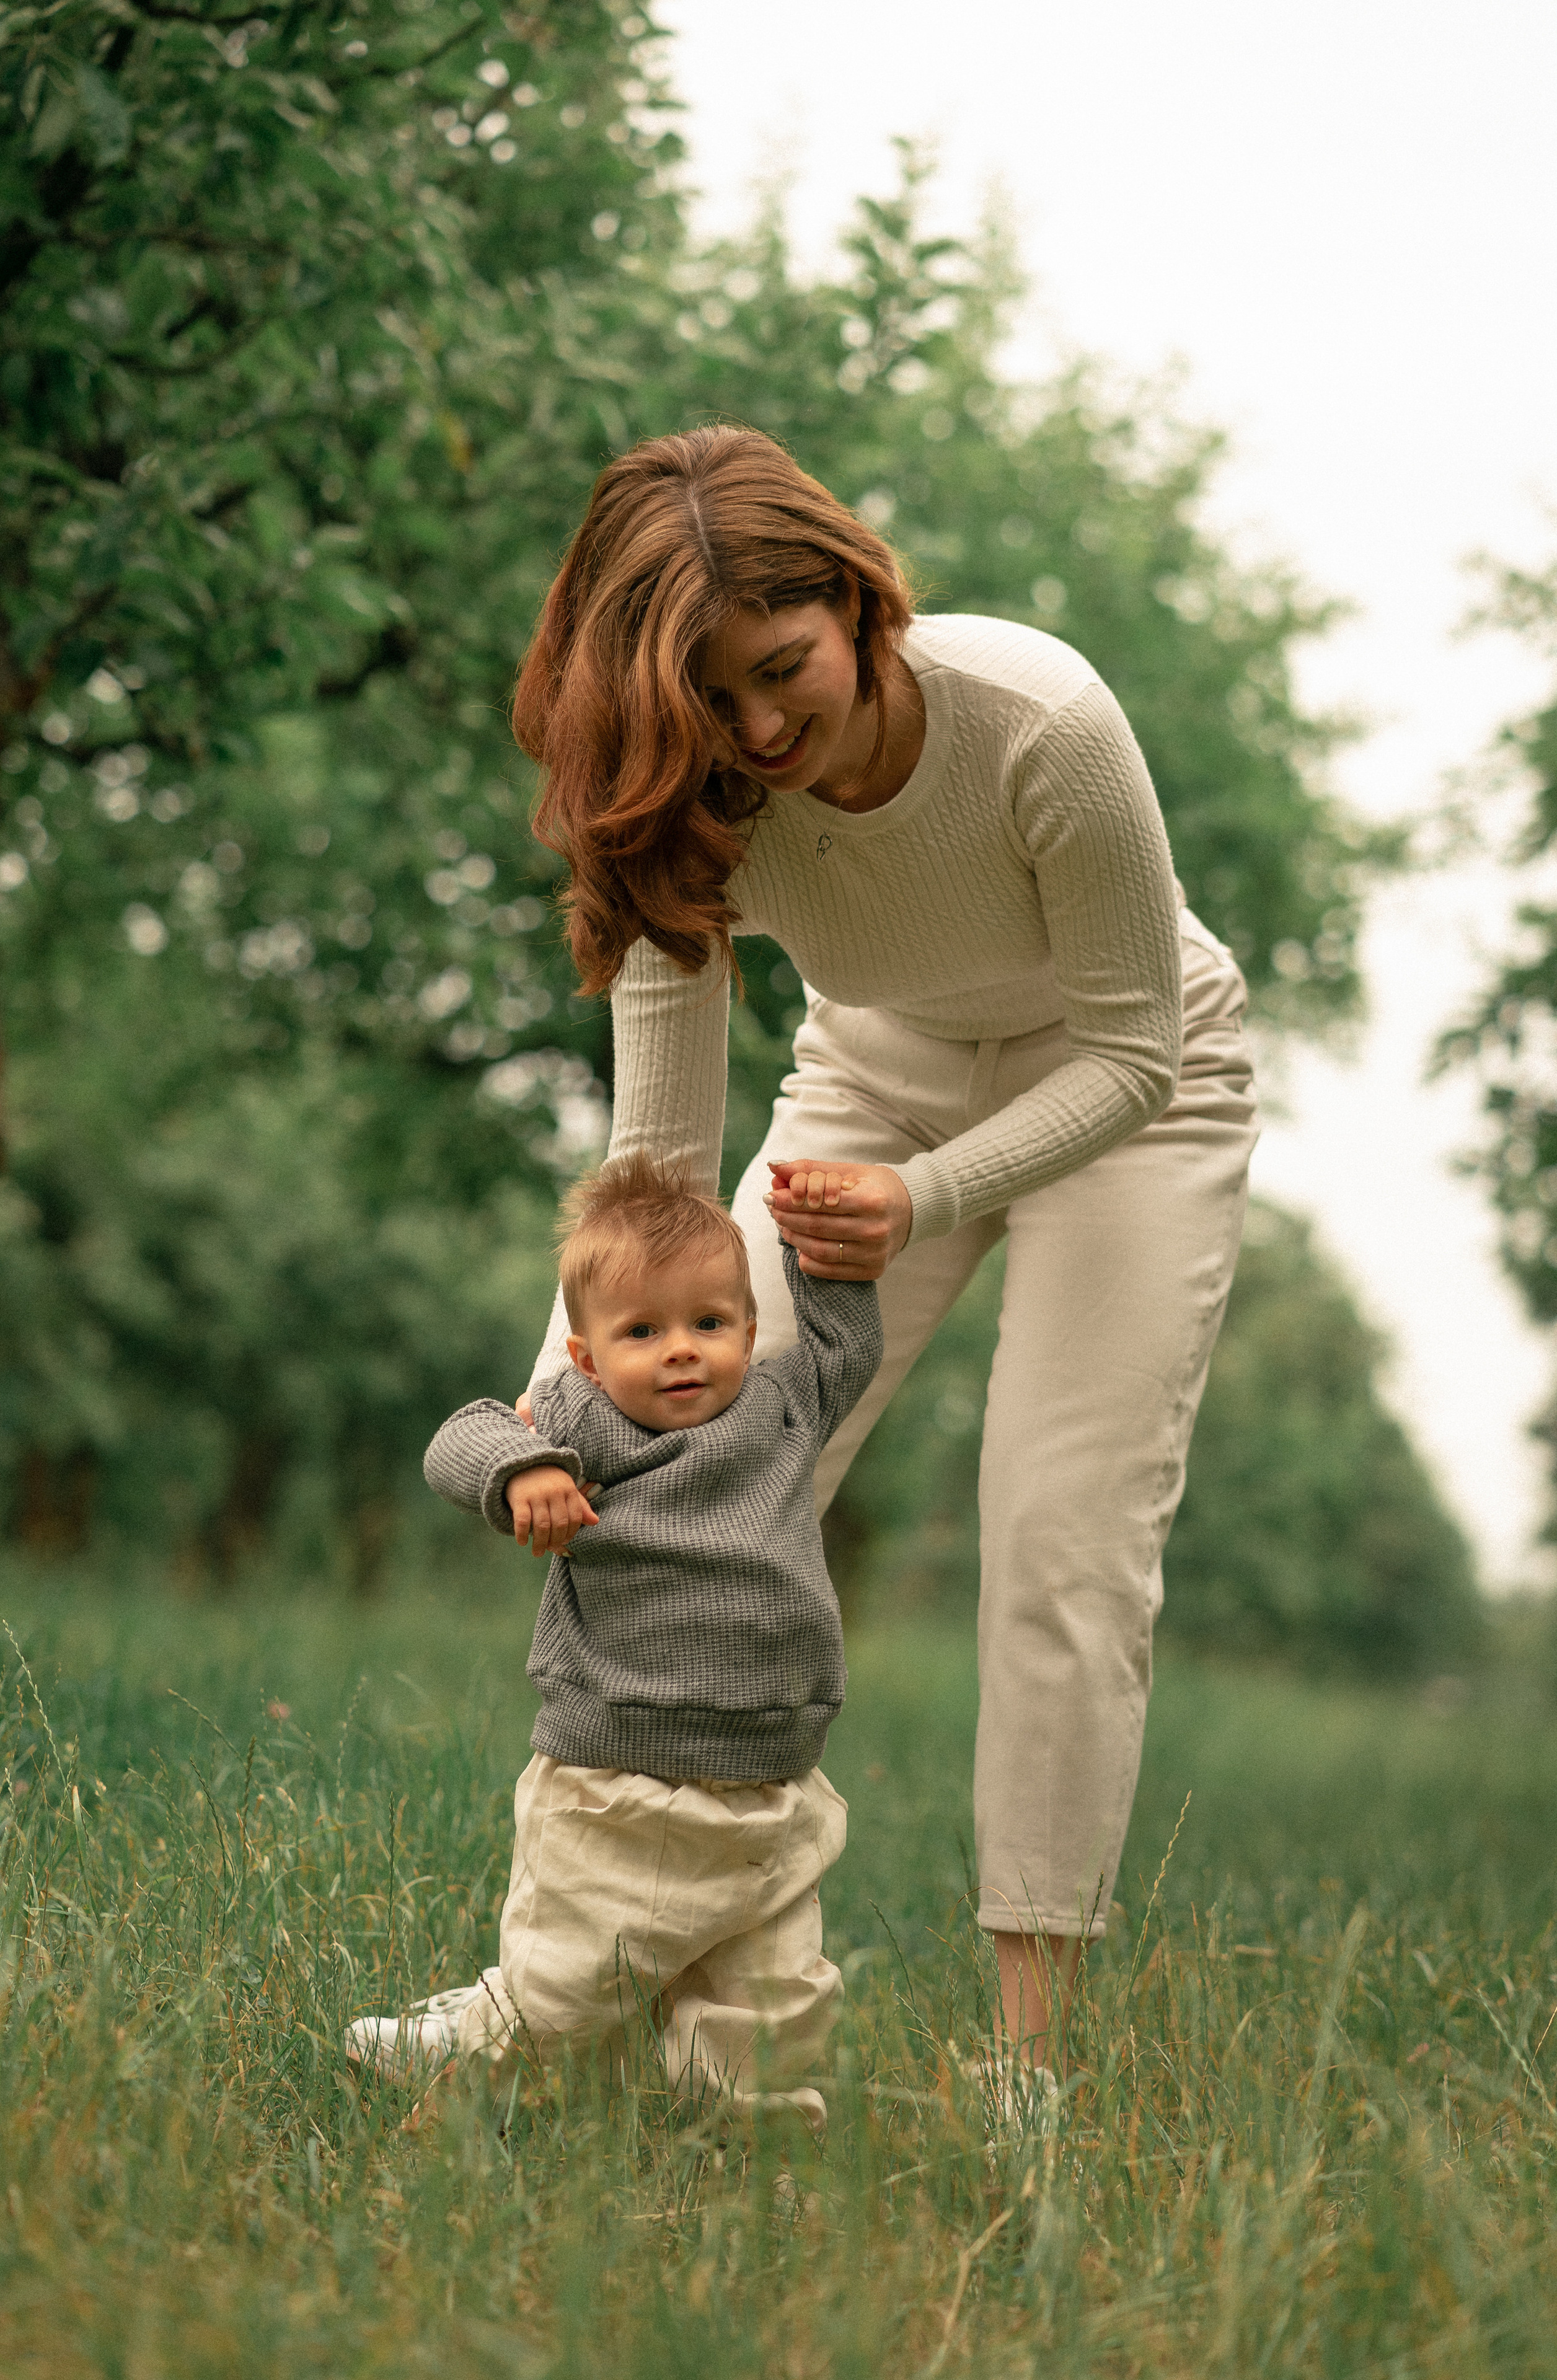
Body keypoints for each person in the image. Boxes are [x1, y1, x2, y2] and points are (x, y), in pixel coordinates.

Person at [510, 424, 1259, 2084]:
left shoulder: (1040, 722)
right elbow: (655, 1190)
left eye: (786, 671)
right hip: (881, 1074)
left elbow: (1134, 1058)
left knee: (1061, 1536)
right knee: (673, 1464)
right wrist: (546, 1419)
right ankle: (590, 1968)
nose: (766, 731)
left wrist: (922, 1201)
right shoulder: (688, 792)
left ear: (855, 600)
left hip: (1137, 1085)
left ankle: (1030, 2063)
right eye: (720, 703)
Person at [346, 1154, 883, 2135]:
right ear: (587, 1355)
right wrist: (521, 1471)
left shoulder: (785, 1408)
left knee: (770, 2000)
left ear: (751, 1331)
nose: (681, 1350)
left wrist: (822, 1244)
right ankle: (472, 2059)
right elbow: (457, 1439)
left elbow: (846, 1340)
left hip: (772, 1783)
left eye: (709, 1324)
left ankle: (741, 2132)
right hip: (613, 1779)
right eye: (643, 1331)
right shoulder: (580, 1421)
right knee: (567, 1983)